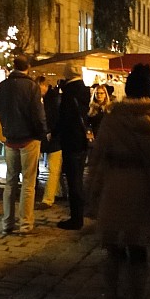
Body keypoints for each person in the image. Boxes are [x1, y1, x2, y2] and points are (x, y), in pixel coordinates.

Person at [87, 63, 150, 299]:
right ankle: (137, 296)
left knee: (113, 247)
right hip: (145, 187)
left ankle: (112, 293)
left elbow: (98, 157)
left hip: (116, 185)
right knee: (138, 247)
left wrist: (92, 190)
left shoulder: (113, 120)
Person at [0, 55, 47, 235]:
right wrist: (41, 134)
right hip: (29, 138)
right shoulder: (32, 86)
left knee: (10, 183)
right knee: (28, 183)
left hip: (10, 138)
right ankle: (25, 223)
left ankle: (7, 222)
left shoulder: (2, 85)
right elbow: (38, 114)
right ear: (28, 67)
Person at [56, 63, 91, 230]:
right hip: (81, 140)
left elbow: (65, 118)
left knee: (73, 179)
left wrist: (54, 133)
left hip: (71, 140)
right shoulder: (83, 89)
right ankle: (79, 215)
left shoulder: (69, 92)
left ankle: (76, 218)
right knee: (78, 178)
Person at [36, 77, 62, 210]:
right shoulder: (48, 99)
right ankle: (56, 193)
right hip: (50, 137)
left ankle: (48, 198)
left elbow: (53, 118)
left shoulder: (52, 100)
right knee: (54, 169)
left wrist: (50, 131)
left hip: (53, 137)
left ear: (44, 86)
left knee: (53, 169)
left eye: (38, 86)